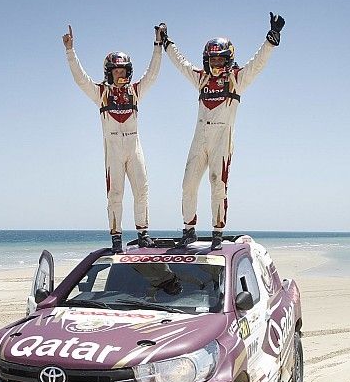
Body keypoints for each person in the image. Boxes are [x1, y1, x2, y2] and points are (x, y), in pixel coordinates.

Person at [159, 14, 285, 249]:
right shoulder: (201, 79)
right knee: (188, 184)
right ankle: (189, 230)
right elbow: (181, 63)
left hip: (222, 139)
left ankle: (217, 232)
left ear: (228, 60)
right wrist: (167, 42)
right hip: (199, 138)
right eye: (212, 60)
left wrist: (271, 39)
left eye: (220, 60)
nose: (216, 65)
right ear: (207, 61)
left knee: (218, 184)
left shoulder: (237, 79)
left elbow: (257, 63)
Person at [63, 25, 164, 253]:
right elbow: (81, 80)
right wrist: (70, 51)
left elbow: (153, 74)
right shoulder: (101, 93)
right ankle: (116, 238)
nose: (121, 74)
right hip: (113, 150)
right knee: (115, 194)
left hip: (134, 146)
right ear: (109, 72)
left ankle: (143, 234)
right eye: (117, 71)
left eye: (124, 70)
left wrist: (158, 45)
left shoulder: (135, 91)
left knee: (142, 190)